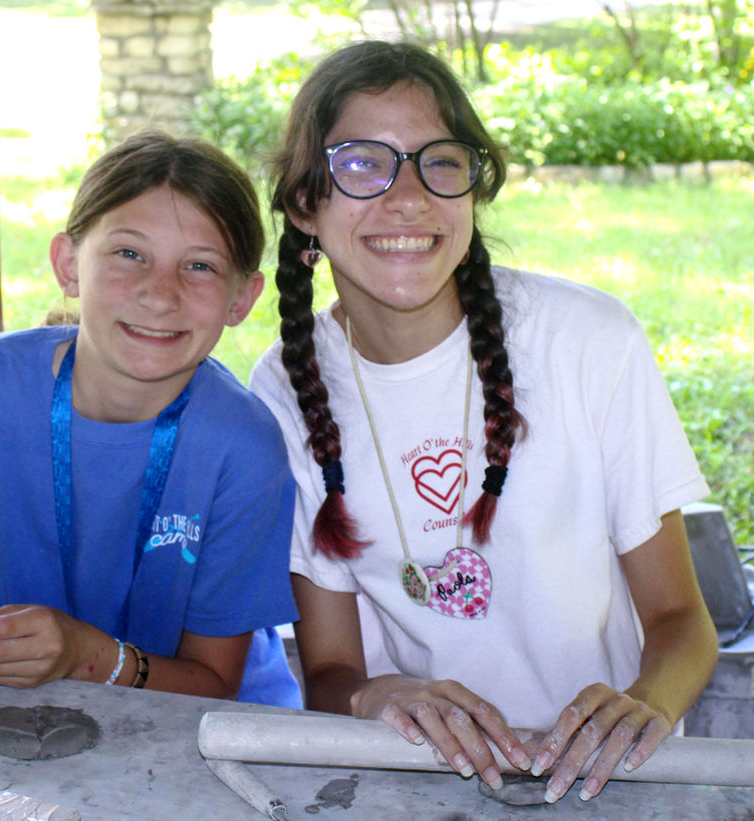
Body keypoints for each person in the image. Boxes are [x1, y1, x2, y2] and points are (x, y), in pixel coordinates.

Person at [249, 40, 718, 803]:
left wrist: (648, 704)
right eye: (364, 164)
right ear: (305, 204)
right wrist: (378, 696)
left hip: (616, 777)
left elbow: (680, 618)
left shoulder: (587, 339)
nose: (408, 199)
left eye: (440, 162)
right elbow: (331, 674)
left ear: (473, 187)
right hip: (422, 782)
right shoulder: (282, 389)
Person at [0, 131, 301, 710]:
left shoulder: (245, 445)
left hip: (210, 727)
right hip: (28, 711)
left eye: (200, 266)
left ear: (242, 299)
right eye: (129, 253)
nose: (160, 295)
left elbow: (216, 684)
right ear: (69, 265)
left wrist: (87, 656)